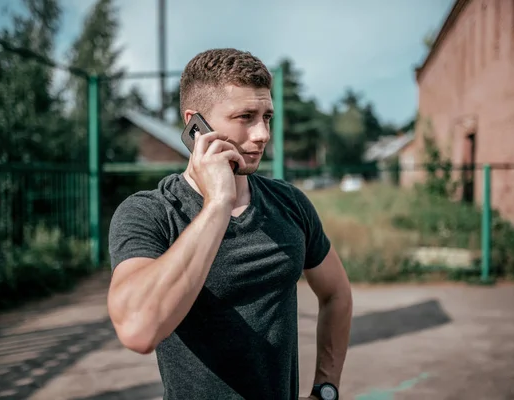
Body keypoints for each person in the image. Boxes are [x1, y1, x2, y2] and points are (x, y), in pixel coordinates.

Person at [107, 48, 353, 400]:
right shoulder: (150, 212)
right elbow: (137, 330)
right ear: (196, 125)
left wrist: (325, 389)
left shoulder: (290, 203)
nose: (262, 134)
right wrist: (218, 203)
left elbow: (337, 294)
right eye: (245, 116)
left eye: (267, 116)